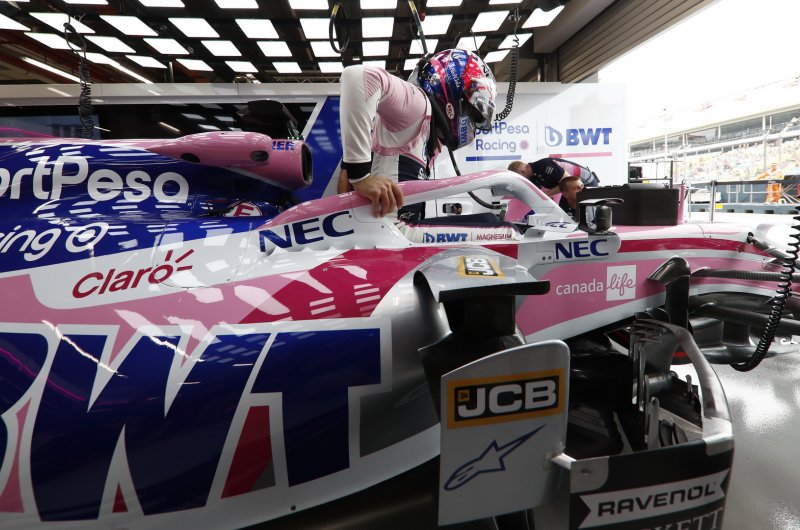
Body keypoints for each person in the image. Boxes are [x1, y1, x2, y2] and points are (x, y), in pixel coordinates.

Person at [339, 49, 497, 218]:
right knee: (493, 223)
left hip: (395, 230)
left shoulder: (431, 134)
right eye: (472, 114)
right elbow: (357, 76)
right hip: (384, 229)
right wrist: (361, 177)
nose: (471, 122)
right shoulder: (418, 106)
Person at [508, 157, 599, 197]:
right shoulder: (533, 175)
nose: (522, 180)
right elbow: (534, 193)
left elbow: (568, 183)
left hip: (586, 183)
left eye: (519, 177)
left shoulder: (543, 165)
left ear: (522, 172)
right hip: (573, 188)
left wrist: (545, 194)